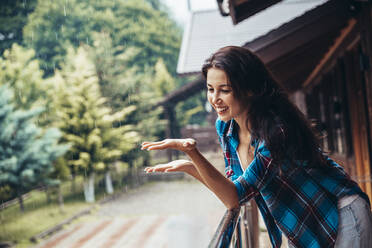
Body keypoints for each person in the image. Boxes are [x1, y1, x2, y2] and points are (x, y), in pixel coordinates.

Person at [141, 46, 372, 248]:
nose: (215, 98)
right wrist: (191, 167)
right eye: (211, 89)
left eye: (225, 90)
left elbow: (235, 197)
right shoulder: (227, 128)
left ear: (250, 89)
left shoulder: (276, 132)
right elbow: (235, 187)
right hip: (307, 224)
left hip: (340, 212)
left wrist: (192, 152)